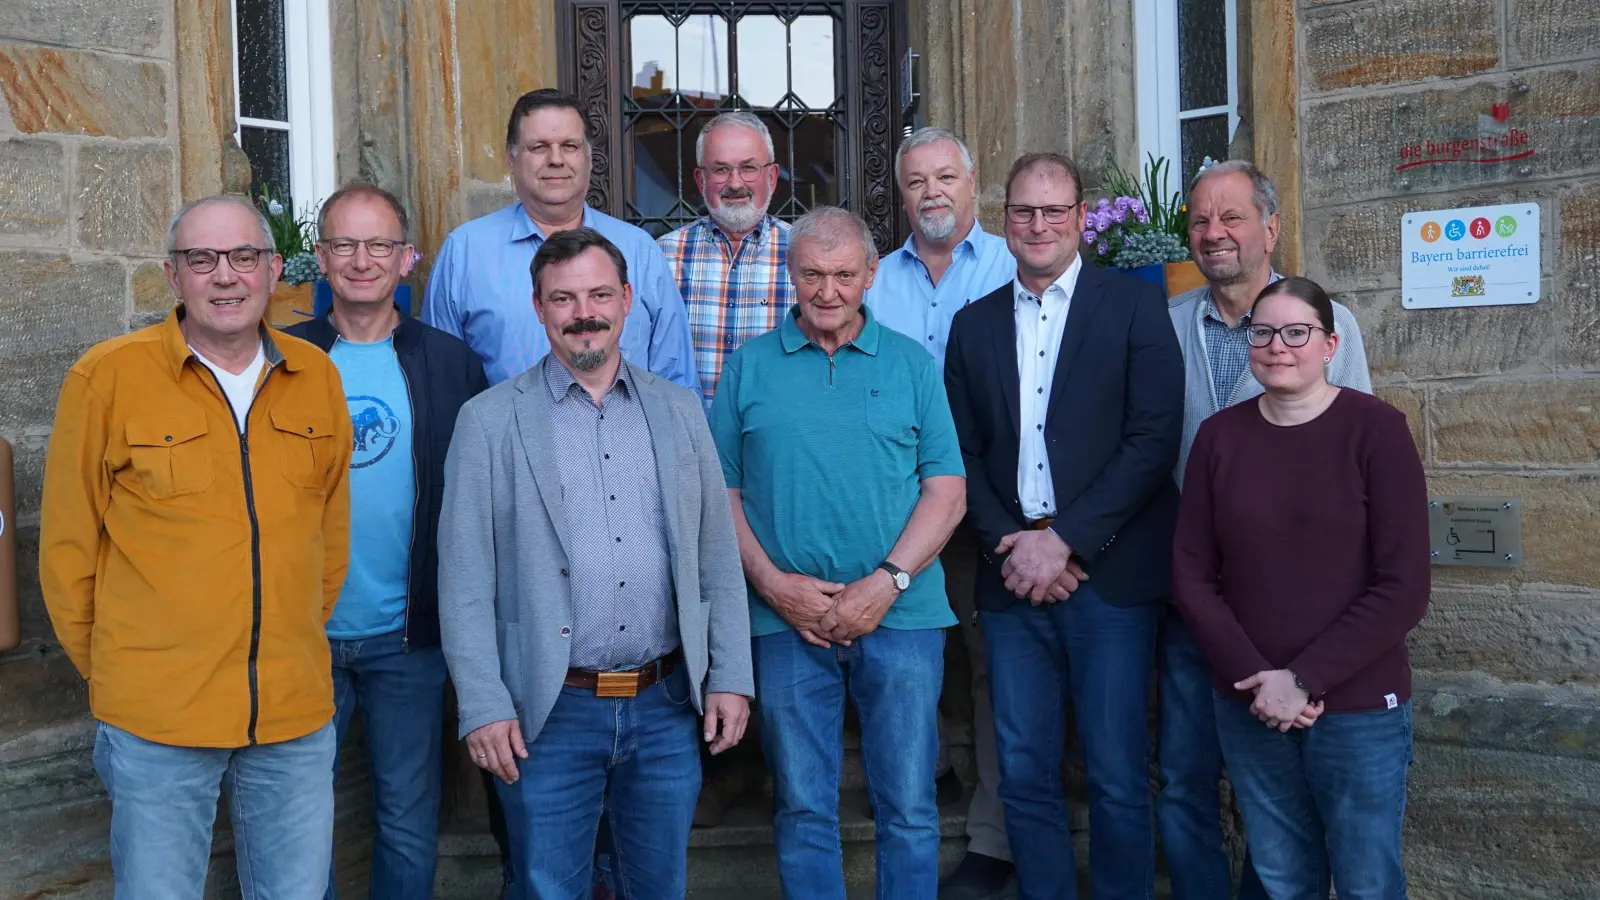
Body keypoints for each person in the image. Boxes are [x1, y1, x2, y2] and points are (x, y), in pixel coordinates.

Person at [40, 194, 353, 899]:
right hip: (159, 718)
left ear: (274, 270)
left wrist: (291, 637)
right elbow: (66, 550)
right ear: (172, 275)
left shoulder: (316, 377)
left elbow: (330, 537)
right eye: (202, 258)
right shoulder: (107, 377)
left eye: (244, 256)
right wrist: (123, 672)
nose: (225, 275)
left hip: (293, 713)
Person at [437, 227, 753, 899]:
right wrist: (483, 704)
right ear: (539, 307)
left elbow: (716, 558)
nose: (584, 313)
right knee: (550, 888)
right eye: (564, 298)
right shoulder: (488, 423)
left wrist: (730, 676)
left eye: (600, 295)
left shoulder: (680, 412)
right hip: (548, 713)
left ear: (628, 299)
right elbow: (464, 580)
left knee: (658, 888)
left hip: (665, 705)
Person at [944, 153, 1185, 900]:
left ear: (1080, 217)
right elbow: (960, 452)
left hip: (1107, 577)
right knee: (1022, 770)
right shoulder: (973, 324)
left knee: (1116, 770)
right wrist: (1015, 548)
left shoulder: (1135, 307)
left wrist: (1067, 541)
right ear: (1004, 220)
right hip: (1012, 574)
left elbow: (1153, 439)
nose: (1039, 225)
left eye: (1054, 211)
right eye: (1024, 211)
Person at [712, 206, 967, 900]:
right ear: (790, 274)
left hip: (903, 618)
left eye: (845, 275)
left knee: (909, 806)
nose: (828, 291)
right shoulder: (748, 367)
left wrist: (885, 584)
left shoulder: (911, 364)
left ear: (872, 274)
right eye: (813, 275)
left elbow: (947, 492)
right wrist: (772, 585)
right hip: (785, 622)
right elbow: (720, 493)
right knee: (801, 807)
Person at [1172, 275, 1429, 900]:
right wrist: (1258, 679)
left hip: (1358, 704)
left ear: (1330, 345)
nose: (1277, 346)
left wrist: (1304, 679)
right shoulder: (1219, 438)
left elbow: (1404, 586)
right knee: (1284, 879)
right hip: (1251, 698)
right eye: (1263, 333)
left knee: (1367, 881)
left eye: (1296, 332)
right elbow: (1192, 574)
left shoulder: (1377, 430)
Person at [1160, 160, 1371, 900]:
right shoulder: (1168, 325)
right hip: (1196, 598)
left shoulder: (1328, 323)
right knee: (1184, 775)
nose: (1213, 233)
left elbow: (1351, 454)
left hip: (1298, 606)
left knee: (1285, 787)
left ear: (1271, 227)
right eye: (1200, 220)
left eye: (1232, 217)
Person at [283, 184, 489, 899]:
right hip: (301, 636)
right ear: (321, 258)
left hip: (409, 637)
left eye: (379, 245)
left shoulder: (452, 363)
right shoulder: (282, 358)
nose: (361, 260)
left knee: (406, 819)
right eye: (344, 244)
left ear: (408, 258)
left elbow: (478, 497)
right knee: (295, 821)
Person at [866, 126, 1018, 899]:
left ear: (972, 182)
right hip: (900, 509)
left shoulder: (1012, 265)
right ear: (901, 194)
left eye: (946, 176)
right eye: (917, 180)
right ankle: (925, 778)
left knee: (993, 666)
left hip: (991, 502)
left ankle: (993, 837)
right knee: (902, 657)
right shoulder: (872, 281)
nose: (933, 192)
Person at [424, 88, 697, 392]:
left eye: (569, 146)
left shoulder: (639, 250)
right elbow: (439, 383)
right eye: (539, 146)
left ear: (589, 158)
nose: (556, 159)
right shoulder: (464, 252)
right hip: (509, 425)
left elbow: (677, 383)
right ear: (511, 157)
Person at [658, 110, 796, 414]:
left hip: (776, 440)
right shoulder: (664, 256)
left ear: (772, 177)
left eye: (749, 168)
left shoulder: (804, 254)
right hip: (686, 439)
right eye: (721, 169)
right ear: (701, 179)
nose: (735, 183)